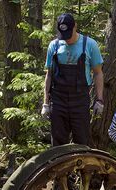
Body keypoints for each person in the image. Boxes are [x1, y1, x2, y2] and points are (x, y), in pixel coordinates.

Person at [41, 13, 104, 146]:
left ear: (75, 26)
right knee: (58, 143)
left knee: (82, 141)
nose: (67, 40)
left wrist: (99, 100)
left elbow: (98, 73)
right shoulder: (54, 46)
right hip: (58, 100)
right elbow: (49, 75)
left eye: (69, 34)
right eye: (64, 35)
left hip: (80, 100)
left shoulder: (89, 45)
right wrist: (45, 103)